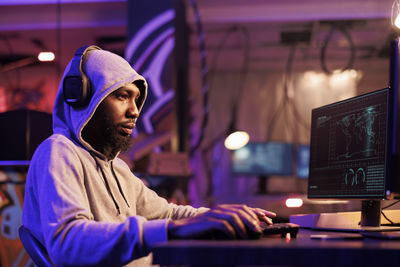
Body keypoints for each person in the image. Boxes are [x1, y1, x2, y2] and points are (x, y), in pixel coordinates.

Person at [22, 45, 276, 267]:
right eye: (122, 96)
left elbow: (167, 214)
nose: (134, 111)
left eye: (136, 99)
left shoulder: (117, 169)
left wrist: (219, 217)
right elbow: (69, 243)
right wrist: (175, 230)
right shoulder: (58, 152)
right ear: (85, 98)